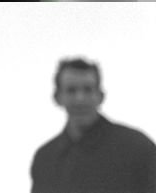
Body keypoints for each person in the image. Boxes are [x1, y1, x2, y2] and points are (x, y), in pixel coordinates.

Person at [30, 57, 156, 193]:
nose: (80, 98)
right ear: (58, 97)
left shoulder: (137, 147)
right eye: (71, 90)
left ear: (100, 96)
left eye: (88, 89)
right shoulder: (46, 159)